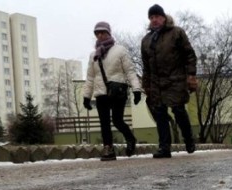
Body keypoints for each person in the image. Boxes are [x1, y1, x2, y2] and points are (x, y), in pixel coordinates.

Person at [141, 4, 198, 159]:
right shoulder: (146, 41)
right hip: (156, 83)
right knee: (160, 114)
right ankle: (164, 147)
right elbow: (145, 66)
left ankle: (188, 139)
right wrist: (146, 85)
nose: (154, 20)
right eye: (151, 17)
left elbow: (189, 55)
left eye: (157, 17)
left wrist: (191, 75)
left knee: (178, 110)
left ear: (164, 17)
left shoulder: (176, 33)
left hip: (175, 79)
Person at [83, 21, 142, 161]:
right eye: (97, 33)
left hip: (117, 90)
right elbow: (90, 77)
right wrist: (86, 96)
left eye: (103, 32)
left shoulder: (120, 50)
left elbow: (130, 71)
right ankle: (108, 148)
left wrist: (136, 89)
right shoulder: (93, 55)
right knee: (104, 122)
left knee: (117, 120)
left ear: (109, 33)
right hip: (101, 92)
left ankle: (130, 138)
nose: (100, 35)